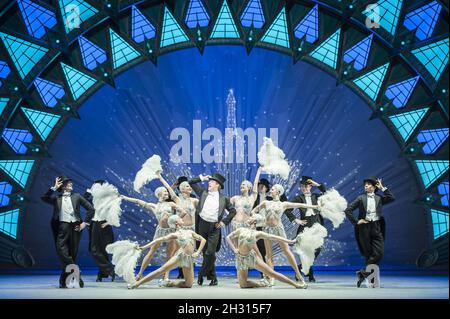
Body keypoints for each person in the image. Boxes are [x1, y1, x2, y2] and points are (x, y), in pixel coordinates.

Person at [251, 184, 319, 286]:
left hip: (278, 229)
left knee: (287, 252)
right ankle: (271, 278)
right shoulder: (266, 202)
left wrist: (314, 206)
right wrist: (256, 218)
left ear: (278, 192)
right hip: (267, 229)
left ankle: (299, 276)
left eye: (273, 189)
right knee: (268, 255)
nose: (271, 190)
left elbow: (300, 205)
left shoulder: (284, 204)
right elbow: (254, 210)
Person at [121, 186, 187, 284]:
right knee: (151, 251)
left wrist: (175, 220)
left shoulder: (171, 203)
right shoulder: (153, 206)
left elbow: (183, 212)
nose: (167, 193)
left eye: (167, 192)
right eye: (164, 191)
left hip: (171, 230)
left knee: (169, 254)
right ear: (159, 194)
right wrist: (124, 197)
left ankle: (166, 277)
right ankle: (139, 274)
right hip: (160, 231)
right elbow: (137, 201)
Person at [41, 176, 95, 288]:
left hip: (76, 227)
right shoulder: (57, 198)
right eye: (67, 182)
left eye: (70, 182)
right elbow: (44, 198)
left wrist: (84, 223)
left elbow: (91, 209)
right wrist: (54, 188)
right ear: (62, 186)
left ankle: (64, 281)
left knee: (72, 255)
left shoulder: (77, 196)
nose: (70, 183)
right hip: (62, 227)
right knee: (62, 251)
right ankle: (76, 272)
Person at [226, 215, 307, 289]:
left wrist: (290, 241)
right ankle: (262, 284)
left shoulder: (258, 233)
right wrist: (234, 249)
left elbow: (275, 237)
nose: (249, 218)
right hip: (240, 258)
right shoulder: (241, 230)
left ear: (255, 222)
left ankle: (295, 284)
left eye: (251, 218)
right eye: (249, 218)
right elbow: (228, 237)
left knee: (272, 273)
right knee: (243, 285)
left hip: (251, 258)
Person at [128, 215, 206, 289]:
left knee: (189, 284)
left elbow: (203, 240)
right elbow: (158, 240)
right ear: (176, 222)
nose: (182, 219)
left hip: (188, 259)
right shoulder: (175, 234)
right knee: (161, 270)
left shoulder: (190, 232)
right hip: (180, 257)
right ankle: (137, 284)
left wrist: (198, 252)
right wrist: (144, 247)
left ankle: (168, 283)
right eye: (180, 219)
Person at [344, 177, 395, 288]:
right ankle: (371, 281)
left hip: (376, 227)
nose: (365, 186)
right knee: (369, 254)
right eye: (365, 185)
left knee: (379, 253)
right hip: (364, 228)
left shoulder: (379, 198)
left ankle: (362, 273)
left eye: (368, 184)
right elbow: (348, 210)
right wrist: (357, 221)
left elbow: (391, 198)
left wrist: (382, 188)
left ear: (374, 187)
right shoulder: (361, 198)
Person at [188, 173, 237, 286]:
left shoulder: (224, 199)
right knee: (207, 253)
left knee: (210, 252)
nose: (209, 182)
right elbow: (190, 182)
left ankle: (201, 273)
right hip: (202, 225)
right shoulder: (203, 192)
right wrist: (201, 178)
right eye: (209, 181)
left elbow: (233, 211)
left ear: (217, 185)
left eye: (211, 181)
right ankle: (213, 277)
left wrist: (224, 222)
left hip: (215, 227)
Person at [156, 172, 199, 279]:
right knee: (174, 252)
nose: (190, 188)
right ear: (182, 189)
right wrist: (160, 176)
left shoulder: (194, 200)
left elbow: (206, 205)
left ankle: (189, 276)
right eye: (188, 186)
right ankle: (165, 276)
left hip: (191, 229)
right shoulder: (177, 199)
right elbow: (168, 189)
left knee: (189, 252)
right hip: (180, 229)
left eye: (190, 186)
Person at [284, 176, 327, 282]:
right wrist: (295, 220)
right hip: (305, 226)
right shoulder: (299, 198)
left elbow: (325, 192)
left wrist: (315, 183)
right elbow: (287, 209)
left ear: (310, 186)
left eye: (306, 186)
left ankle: (299, 268)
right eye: (302, 186)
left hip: (316, 227)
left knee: (317, 250)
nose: (304, 188)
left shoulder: (316, 196)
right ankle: (310, 274)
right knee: (306, 251)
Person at [83, 179, 115, 282]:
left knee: (102, 249)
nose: (95, 189)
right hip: (94, 224)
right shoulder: (94, 199)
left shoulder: (108, 198)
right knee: (95, 249)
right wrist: (90, 190)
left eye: (96, 187)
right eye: (94, 187)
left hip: (103, 224)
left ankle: (104, 272)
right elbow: (84, 200)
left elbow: (115, 211)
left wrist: (109, 222)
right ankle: (108, 270)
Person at [230, 167, 263, 231]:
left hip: (247, 224)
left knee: (247, 240)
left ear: (249, 188)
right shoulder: (235, 198)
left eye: (243, 184)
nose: (241, 185)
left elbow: (255, 183)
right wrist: (231, 216)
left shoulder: (252, 198)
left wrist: (259, 172)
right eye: (241, 185)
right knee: (235, 241)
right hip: (235, 224)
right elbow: (226, 206)